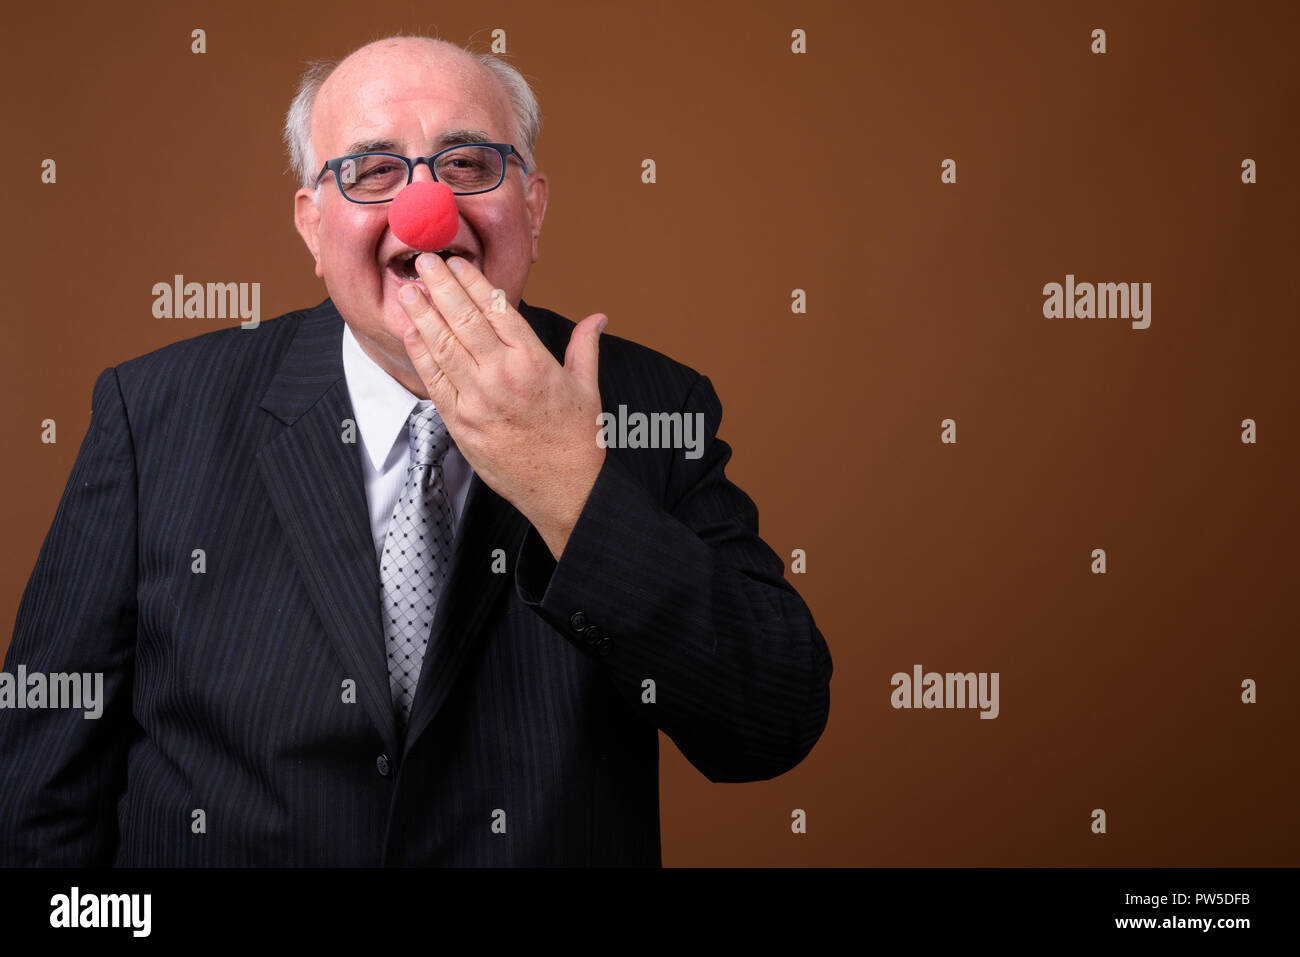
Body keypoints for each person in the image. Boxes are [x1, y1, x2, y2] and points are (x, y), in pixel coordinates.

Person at [0, 35, 831, 866]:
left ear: (533, 207)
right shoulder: (153, 414)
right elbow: (39, 788)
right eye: (372, 170)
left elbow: (772, 722)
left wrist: (571, 488)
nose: (425, 210)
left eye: (468, 163)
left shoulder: (654, 407)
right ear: (313, 225)